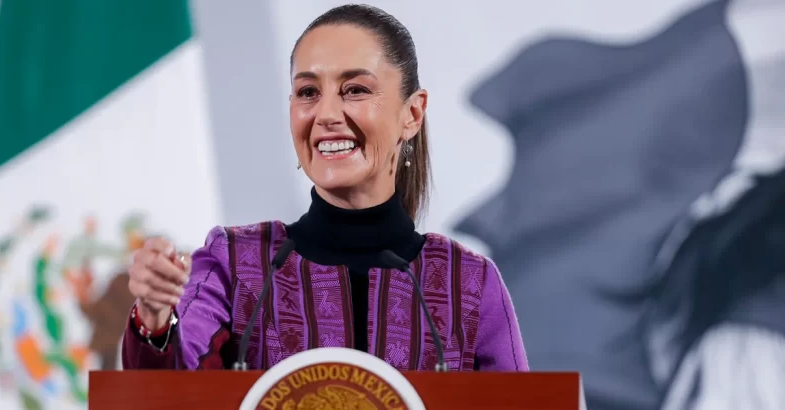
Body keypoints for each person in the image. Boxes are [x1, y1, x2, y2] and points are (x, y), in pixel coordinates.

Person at [121, 4, 528, 372]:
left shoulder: (468, 283)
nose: (326, 114)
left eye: (355, 90)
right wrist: (155, 319)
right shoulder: (234, 265)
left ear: (413, 113)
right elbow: (169, 394)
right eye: (308, 92)